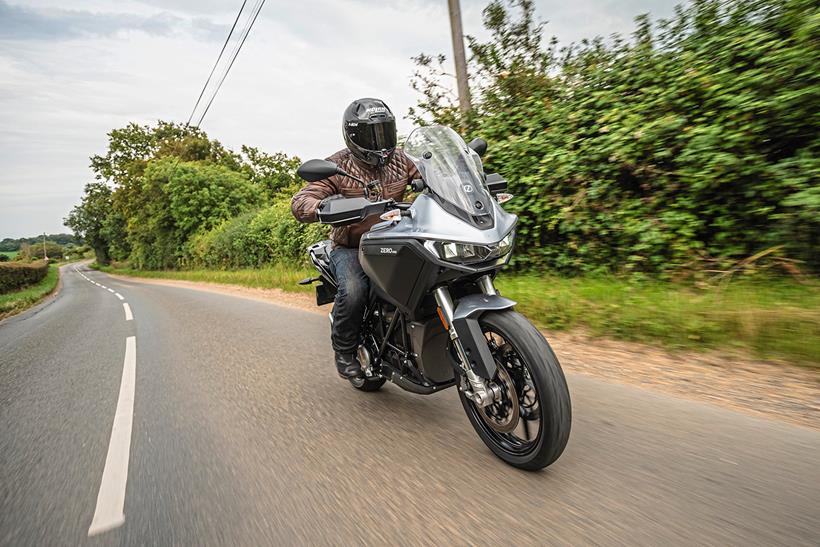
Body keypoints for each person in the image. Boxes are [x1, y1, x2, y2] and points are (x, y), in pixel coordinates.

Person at [291, 98, 418, 379]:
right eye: (370, 135)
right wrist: (318, 207)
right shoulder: (337, 166)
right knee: (354, 289)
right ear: (353, 136)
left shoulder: (401, 158)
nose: (379, 142)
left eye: (384, 132)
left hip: (395, 238)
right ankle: (345, 349)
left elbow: (430, 174)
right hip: (351, 246)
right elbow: (303, 199)